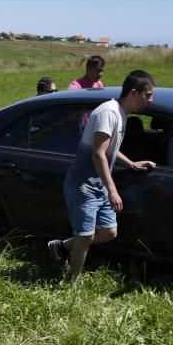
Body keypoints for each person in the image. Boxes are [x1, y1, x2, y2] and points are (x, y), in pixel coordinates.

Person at [48, 70, 157, 280]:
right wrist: (113, 190)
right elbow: (98, 153)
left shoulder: (120, 114)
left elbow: (109, 148)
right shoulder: (109, 113)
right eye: (148, 95)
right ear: (134, 93)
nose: (150, 100)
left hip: (98, 184)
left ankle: (61, 247)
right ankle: (73, 284)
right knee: (85, 236)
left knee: (109, 233)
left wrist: (131, 164)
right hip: (84, 185)